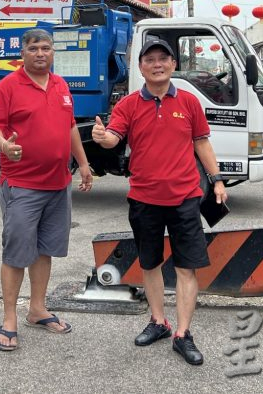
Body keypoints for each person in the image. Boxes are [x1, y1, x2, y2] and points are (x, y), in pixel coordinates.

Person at [91, 37, 227, 366]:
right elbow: (114, 137)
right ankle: (158, 322)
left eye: (163, 59)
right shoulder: (128, 105)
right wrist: (102, 137)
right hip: (144, 199)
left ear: (173, 65)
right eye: (149, 59)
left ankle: (182, 333)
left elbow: (202, 143)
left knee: (186, 267)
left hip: (184, 198)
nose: (157, 64)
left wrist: (218, 179)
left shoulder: (190, 103)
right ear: (141, 67)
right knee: (149, 264)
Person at [0, 28, 94, 352]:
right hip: (22, 184)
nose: (41, 53)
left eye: (46, 48)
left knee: (45, 249)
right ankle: (9, 319)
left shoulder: (60, 85)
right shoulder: (8, 86)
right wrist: (5, 145)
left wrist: (84, 164)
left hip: (58, 184)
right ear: (23, 52)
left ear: (53, 52)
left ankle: (37, 309)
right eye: (34, 48)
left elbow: (70, 125)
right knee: (17, 252)